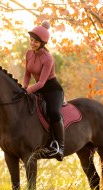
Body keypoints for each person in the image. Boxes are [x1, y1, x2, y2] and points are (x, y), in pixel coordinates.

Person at [23, 21, 65, 161]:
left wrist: (28, 90)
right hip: (37, 89)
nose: (32, 43)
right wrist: (23, 87)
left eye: (36, 41)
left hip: (52, 90)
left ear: (43, 43)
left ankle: (60, 146)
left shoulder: (48, 58)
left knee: (53, 112)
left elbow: (41, 82)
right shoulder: (28, 54)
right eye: (31, 40)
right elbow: (27, 74)